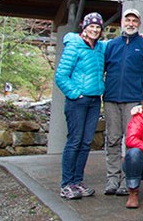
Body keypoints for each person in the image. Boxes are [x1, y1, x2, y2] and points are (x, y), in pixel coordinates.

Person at [103, 9, 143, 196]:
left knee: (131, 141)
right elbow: (101, 70)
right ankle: (112, 179)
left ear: (139, 23)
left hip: (134, 100)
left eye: (134, 20)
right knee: (112, 139)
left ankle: (128, 180)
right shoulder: (111, 45)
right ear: (122, 22)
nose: (130, 23)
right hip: (111, 98)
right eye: (127, 20)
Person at [55, 12, 106, 200]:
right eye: (91, 26)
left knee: (85, 143)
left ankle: (77, 181)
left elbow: (116, 45)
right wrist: (76, 93)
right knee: (74, 141)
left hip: (94, 100)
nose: (94, 30)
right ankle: (66, 183)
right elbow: (61, 76)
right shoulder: (74, 46)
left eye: (98, 27)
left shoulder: (100, 47)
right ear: (84, 28)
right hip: (78, 101)